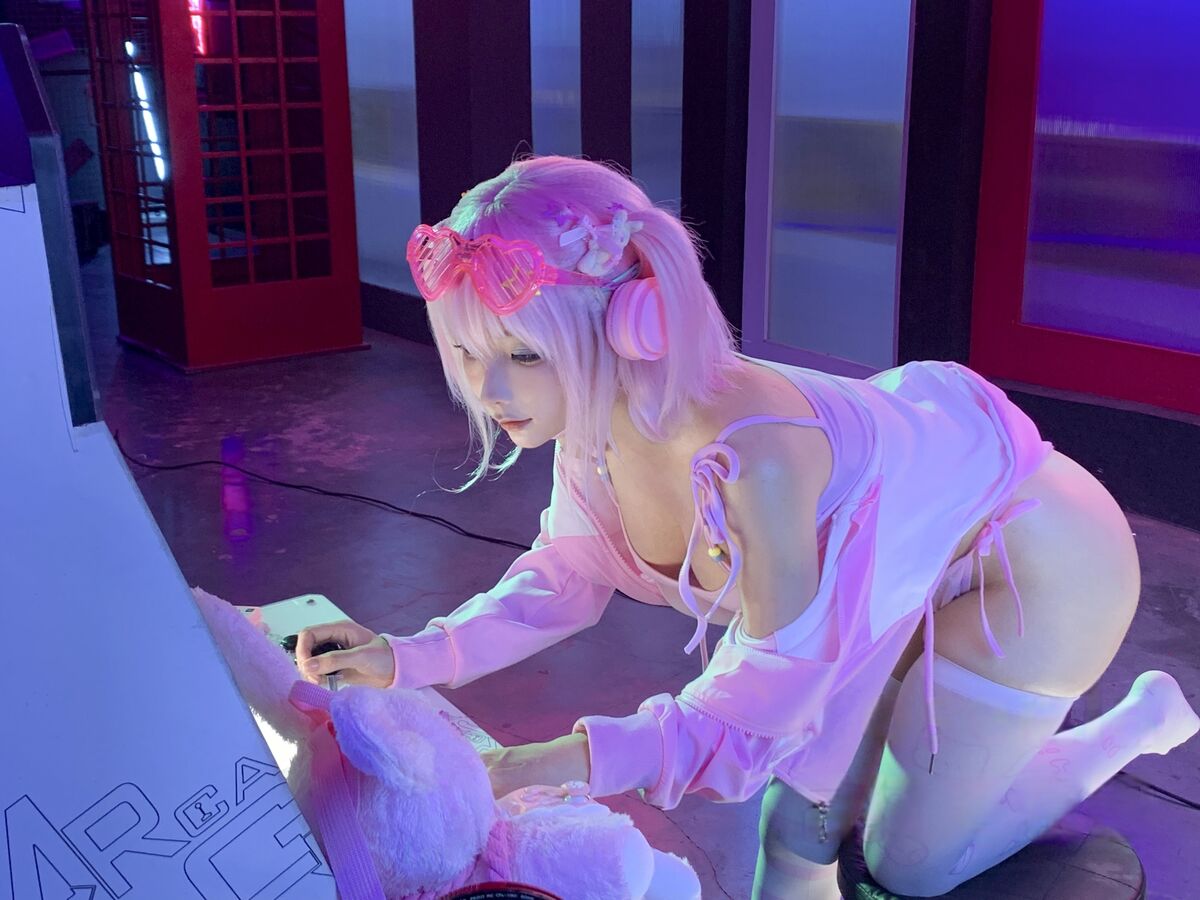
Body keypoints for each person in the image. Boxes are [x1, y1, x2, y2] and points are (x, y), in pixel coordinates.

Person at [296, 155, 1199, 898]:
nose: (490, 392)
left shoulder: (754, 461)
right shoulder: (597, 417)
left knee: (905, 866)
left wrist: (547, 763)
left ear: (635, 322)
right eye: (467, 352)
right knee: (797, 836)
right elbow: (563, 576)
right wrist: (405, 658)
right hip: (904, 561)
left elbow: (756, 715)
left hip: (1037, 563)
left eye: (525, 354)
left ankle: (1134, 725)